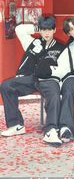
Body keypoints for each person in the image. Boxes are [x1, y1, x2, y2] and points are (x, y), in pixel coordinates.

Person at [0, 16, 65, 147]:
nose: (46, 33)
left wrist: (52, 73)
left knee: (54, 93)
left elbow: (64, 68)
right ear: (40, 30)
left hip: (48, 79)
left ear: (54, 30)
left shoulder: (61, 47)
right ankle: (16, 125)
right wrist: (38, 28)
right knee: (6, 86)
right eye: (43, 30)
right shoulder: (32, 43)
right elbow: (19, 29)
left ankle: (51, 130)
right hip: (31, 79)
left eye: (49, 30)